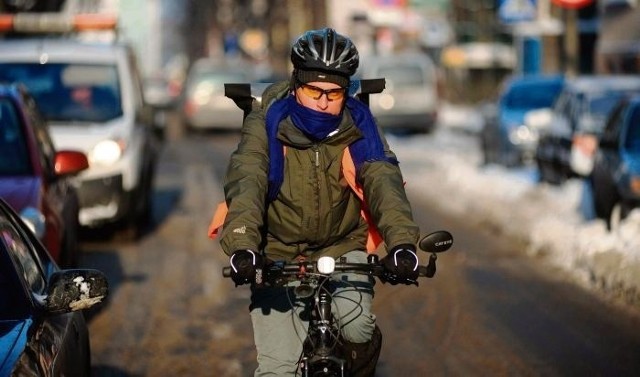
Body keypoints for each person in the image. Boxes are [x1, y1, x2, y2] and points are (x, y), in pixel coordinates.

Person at [212, 27, 421, 376]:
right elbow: (247, 178)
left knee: (357, 329)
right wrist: (244, 245)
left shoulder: (360, 124)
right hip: (277, 252)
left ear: (346, 92)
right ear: (297, 85)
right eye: (314, 91)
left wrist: (402, 243)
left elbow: (382, 179)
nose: (324, 102)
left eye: (334, 93)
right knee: (278, 370)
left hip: (342, 245)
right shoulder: (266, 122)